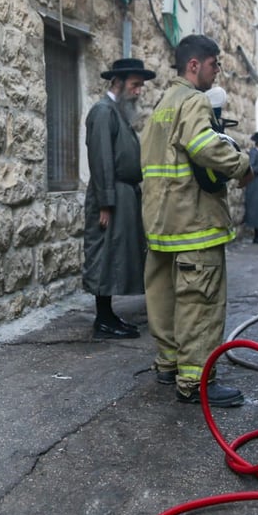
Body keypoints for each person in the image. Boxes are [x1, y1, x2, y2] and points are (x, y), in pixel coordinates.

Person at [140, 35, 255, 407]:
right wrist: (241, 165)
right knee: (199, 300)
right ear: (195, 65)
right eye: (214, 64)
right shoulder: (194, 101)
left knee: (164, 297)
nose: (216, 71)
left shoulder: (162, 106)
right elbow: (205, 145)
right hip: (192, 222)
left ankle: (168, 363)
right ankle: (195, 379)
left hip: (161, 223)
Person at [83, 57, 155, 339]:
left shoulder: (116, 112)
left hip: (123, 193)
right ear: (117, 82)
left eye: (140, 86)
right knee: (105, 254)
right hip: (110, 194)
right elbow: (101, 159)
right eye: (135, 85)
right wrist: (106, 202)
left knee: (117, 254)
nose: (138, 91)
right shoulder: (103, 111)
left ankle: (108, 315)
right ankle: (103, 318)